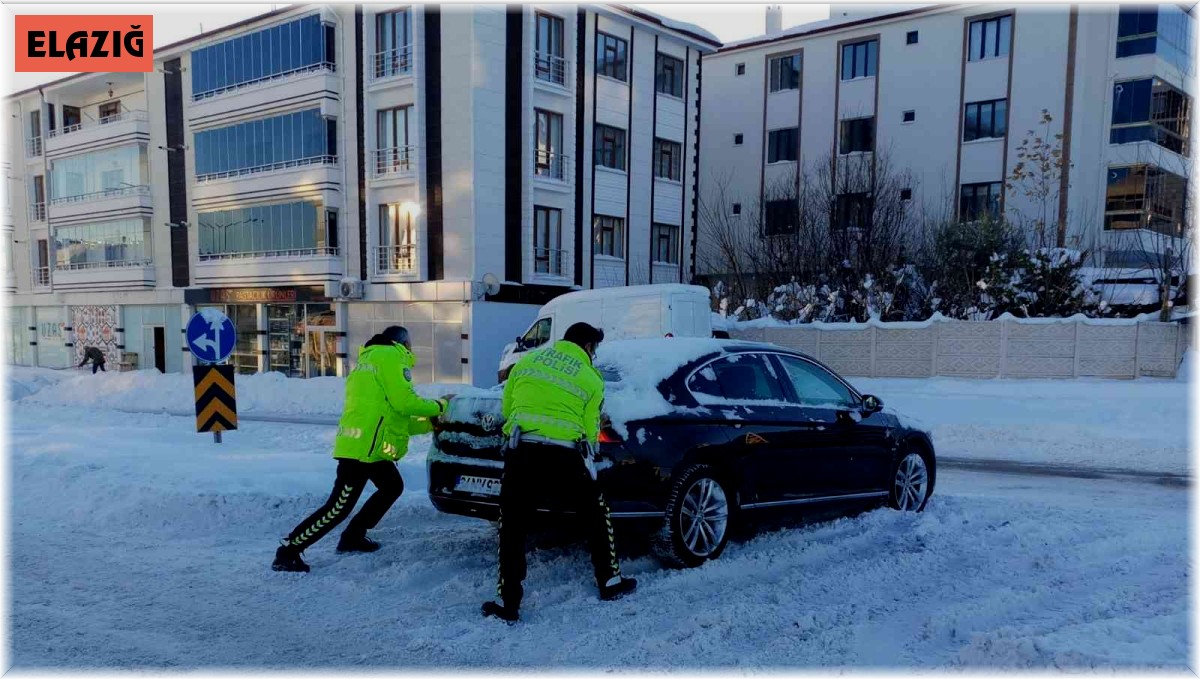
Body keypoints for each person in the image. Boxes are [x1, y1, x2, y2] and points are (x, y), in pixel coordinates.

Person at [482, 322, 636, 623]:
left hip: (522, 451)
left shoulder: (527, 361)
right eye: (595, 349)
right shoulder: (590, 377)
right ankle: (609, 582)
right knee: (596, 513)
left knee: (511, 524)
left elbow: (508, 404)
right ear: (589, 347)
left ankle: (508, 602)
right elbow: (590, 429)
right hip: (564, 455)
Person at [272, 326, 449, 573]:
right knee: (338, 507)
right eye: (410, 342)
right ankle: (288, 550)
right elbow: (405, 402)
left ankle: (353, 536)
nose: (411, 348)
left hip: (370, 446)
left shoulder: (371, 359)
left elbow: (395, 417)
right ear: (402, 342)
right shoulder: (390, 357)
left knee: (391, 487)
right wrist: (440, 406)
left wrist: (430, 423)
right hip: (362, 448)